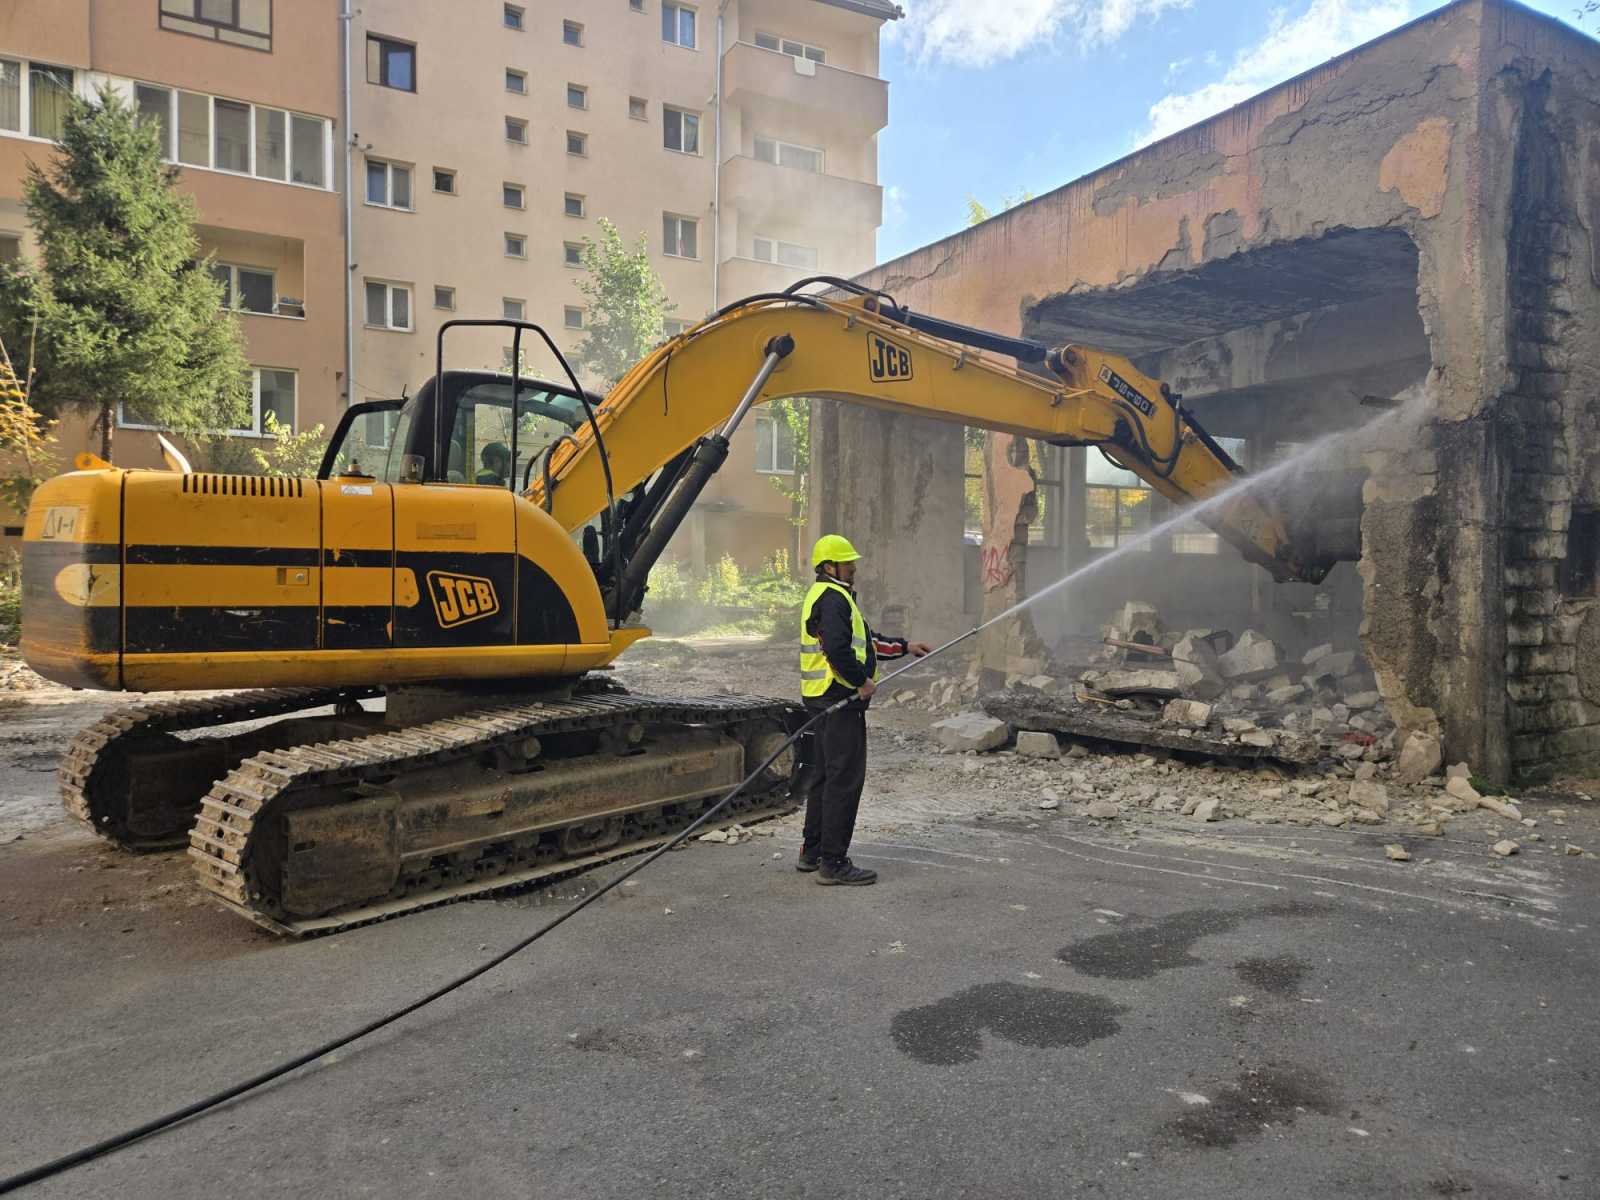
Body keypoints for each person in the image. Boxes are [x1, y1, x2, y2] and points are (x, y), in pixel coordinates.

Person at [797, 534, 930, 885]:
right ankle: (834, 864)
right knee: (844, 780)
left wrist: (905, 646)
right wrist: (860, 682)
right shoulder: (833, 600)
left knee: (824, 777)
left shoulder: (832, 597)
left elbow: (866, 643)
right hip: (839, 701)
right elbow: (838, 650)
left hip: (821, 699)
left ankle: (812, 852)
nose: (854, 567)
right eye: (848, 562)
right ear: (830, 567)